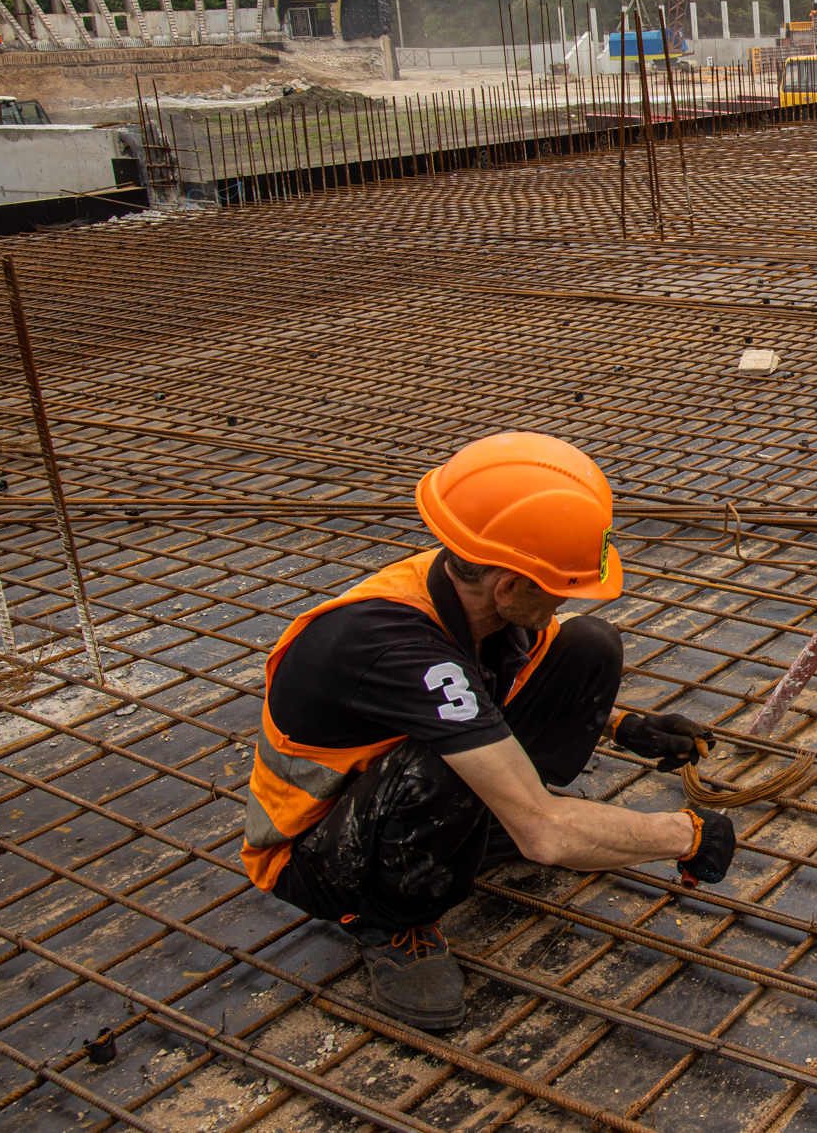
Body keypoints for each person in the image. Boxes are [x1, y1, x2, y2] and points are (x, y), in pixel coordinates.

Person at [242, 431, 732, 1030]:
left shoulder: (468, 592)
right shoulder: (391, 645)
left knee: (588, 645)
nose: (562, 600)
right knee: (445, 766)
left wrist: (621, 725)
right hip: (324, 858)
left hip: (401, 785)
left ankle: (489, 819)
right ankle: (392, 921)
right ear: (510, 585)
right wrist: (685, 836)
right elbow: (545, 837)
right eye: (559, 589)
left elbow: (504, 681)